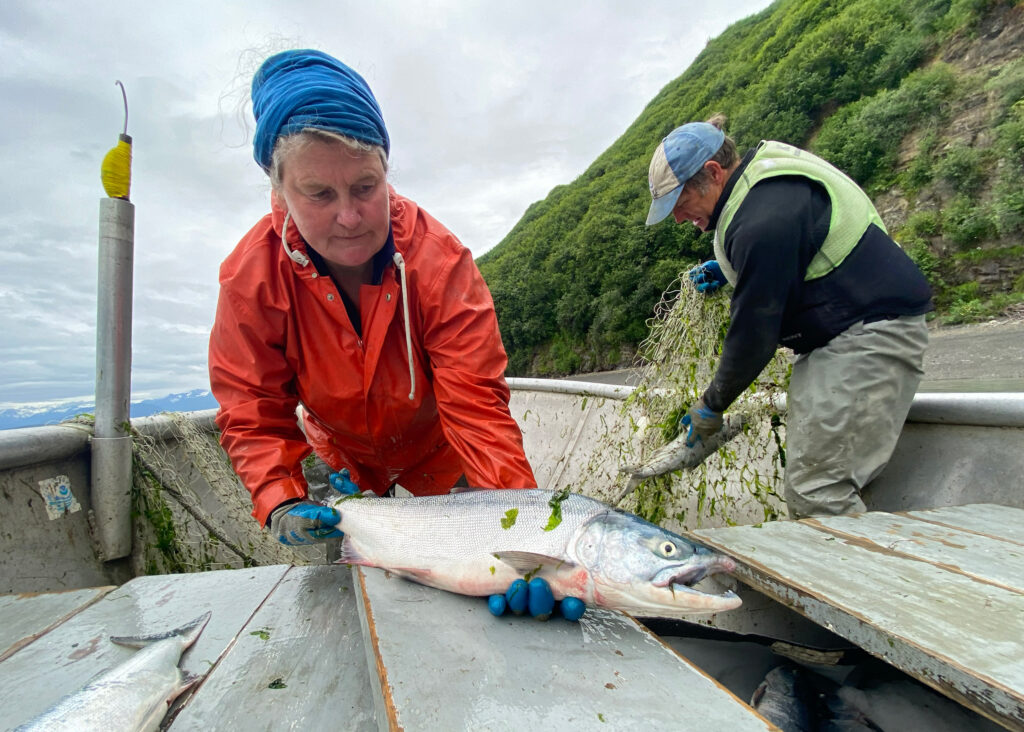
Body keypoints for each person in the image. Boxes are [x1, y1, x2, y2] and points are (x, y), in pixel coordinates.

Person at [209, 49, 582, 620]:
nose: (350, 216)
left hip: (445, 461)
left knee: (466, 616)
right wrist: (282, 499)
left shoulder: (440, 261)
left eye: (365, 186)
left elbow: (477, 405)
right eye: (319, 194)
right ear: (279, 192)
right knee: (363, 610)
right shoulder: (250, 278)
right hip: (345, 471)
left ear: (387, 170)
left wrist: (522, 530)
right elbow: (252, 407)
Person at [645, 116, 933, 518]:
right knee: (815, 482)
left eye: (679, 204)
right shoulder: (760, 187)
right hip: (841, 336)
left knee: (817, 492)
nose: (678, 219)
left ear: (712, 172)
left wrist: (711, 405)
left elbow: (755, 331)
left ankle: (855, 579)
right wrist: (726, 268)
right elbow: (790, 251)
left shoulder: (763, 220)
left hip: (868, 336)